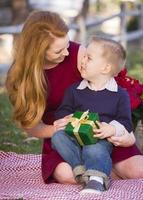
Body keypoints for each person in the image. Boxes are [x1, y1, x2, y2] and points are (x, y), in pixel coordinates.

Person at [6, 10, 143, 186]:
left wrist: (122, 133)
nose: (67, 53)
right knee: (65, 175)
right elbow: (31, 125)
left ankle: (100, 170)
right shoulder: (21, 78)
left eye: (67, 44)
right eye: (58, 50)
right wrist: (55, 129)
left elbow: (108, 83)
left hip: (102, 130)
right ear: (37, 50)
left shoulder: (78, 54)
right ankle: (98, 172)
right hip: (65, 137)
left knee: (138, 170)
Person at [51, 37, 133, 194]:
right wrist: (66, 118)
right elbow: (62, 110)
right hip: (75, 136)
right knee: (58, 137)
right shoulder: (74, 90)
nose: (82, 60)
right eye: (84, 56)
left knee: (93, 148)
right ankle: (81, 170)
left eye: (89, 58)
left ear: (105, 68)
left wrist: (112, 129)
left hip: (99, 139)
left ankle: (97, 180)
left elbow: (126, 121)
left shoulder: (120, 95)